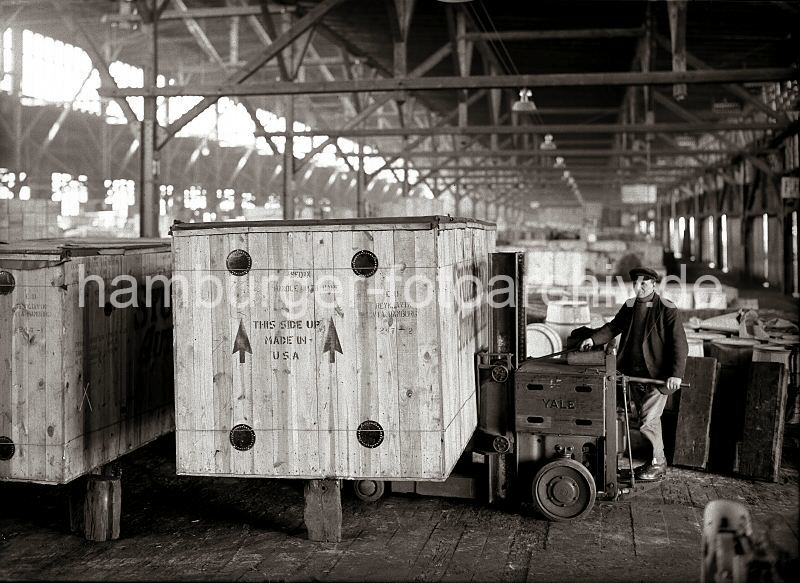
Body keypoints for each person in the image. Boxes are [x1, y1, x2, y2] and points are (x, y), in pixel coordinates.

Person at [579, 267, 688, 481]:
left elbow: (680, 344)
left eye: (644, 284)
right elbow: (613, 327)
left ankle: (658, 463)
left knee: (649, 420)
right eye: (636, 284)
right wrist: (593, 339)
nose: (639, 288)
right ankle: (653, 462)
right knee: (645, 420)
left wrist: (676, 374)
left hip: (657, 376)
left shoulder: (667, 308)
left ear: (654, 285)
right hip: (633, 376)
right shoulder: (629, 306)